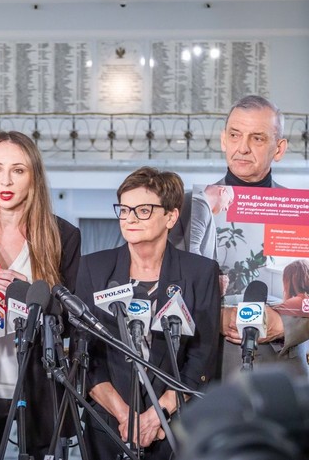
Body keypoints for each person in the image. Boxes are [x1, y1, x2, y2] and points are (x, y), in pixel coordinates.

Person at [169, 95, 309, 378]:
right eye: (235, 135)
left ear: (279, 149)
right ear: (224, 140)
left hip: (280, 373)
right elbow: (165, 286)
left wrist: (284, 325)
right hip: (207, 372)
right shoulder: (186, 207)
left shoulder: (300, 210)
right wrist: (213, 316)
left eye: (257, 138)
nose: (242, 147)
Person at [75, 167, 220, 459]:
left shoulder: (200, 272)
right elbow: (86, 355)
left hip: (175, 427)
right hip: (109, 426)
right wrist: (125, 416)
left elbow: (201, 357)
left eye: (143, 210)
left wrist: (156, 416)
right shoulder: (93, 268)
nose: (129, 218)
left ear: (171, 217)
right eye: (124, 210)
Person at [0, 130, 81, 459]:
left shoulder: (63, 235)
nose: (6, 181)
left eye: (18, 170)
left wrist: (32, 295)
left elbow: (71, 321)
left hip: (37, 378)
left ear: (33, 176)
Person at [189, 184, 234, 259]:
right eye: (229, 202)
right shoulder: (200, 205)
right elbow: (192, 249)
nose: (227, 208)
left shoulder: (202, 206)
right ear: (222, 191)